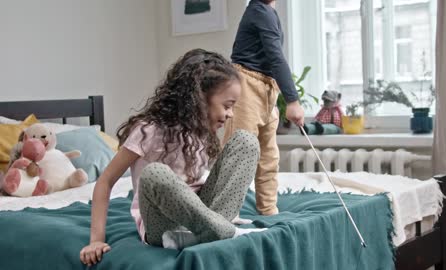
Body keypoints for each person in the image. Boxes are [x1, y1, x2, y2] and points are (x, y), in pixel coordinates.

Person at [80, 49, 266, 267]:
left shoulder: (199, 131)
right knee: (154, 174)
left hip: (202, 213)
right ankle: (221, 230)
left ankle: (213, 229)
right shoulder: (147, 131)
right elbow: (105, 182)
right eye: (227, 105)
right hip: (164, 226)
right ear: (198, 99)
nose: (231, 114)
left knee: (246, 140)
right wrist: (96, 240)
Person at [223, 0, 305, 216]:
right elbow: (276, 57)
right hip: (247, 85)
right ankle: (226, 213)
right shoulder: (259, 11)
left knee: (269, 155)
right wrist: (293, 101)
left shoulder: (269, 12)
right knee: (238, 152)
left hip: (267, 88)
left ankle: (268, 209)